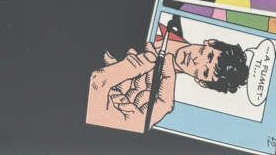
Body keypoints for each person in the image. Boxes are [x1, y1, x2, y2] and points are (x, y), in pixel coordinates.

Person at [86, 20, 250, 133]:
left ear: (202, 82)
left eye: (205, 72)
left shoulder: (154, 91)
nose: (196, 61)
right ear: (210, 42)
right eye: (208, 56)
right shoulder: (168, 20)